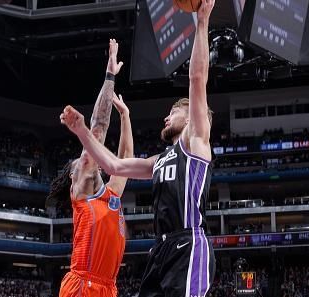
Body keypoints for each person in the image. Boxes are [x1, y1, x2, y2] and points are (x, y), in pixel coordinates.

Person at [59, 0, 216, 296]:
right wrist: (80, 129)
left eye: (175, 110)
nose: (168, 115)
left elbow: (197, 79)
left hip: (188, 243)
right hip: (161, 250)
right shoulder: (160, 160)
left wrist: (202, 22)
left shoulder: (196, 142)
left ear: (195, 118)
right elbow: (116, 165)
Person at [47, 39, 134, 297]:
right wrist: (109, 76)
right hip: (82, 285)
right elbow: (98, 127)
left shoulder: (111, 197)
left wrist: (126, 116)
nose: (86, 159)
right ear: (74, 177)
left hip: (107, 288)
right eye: (82, 160)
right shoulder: (82, 190)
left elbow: (126, 159)